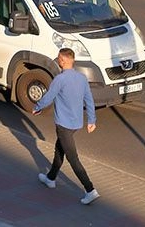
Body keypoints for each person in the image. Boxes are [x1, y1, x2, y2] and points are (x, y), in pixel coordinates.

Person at [34, 48, 99, 206]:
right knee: (59, 150)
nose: (57, 61)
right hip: (76, 123)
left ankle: (90, 190)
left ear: (62, 61)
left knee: (72, 158)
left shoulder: (60, 79)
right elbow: (89, 100)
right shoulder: (82, 78)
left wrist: (38, 106)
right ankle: (50, 178)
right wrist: (92, 120)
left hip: (64, 125)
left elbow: (49, 96)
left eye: (58, 59)